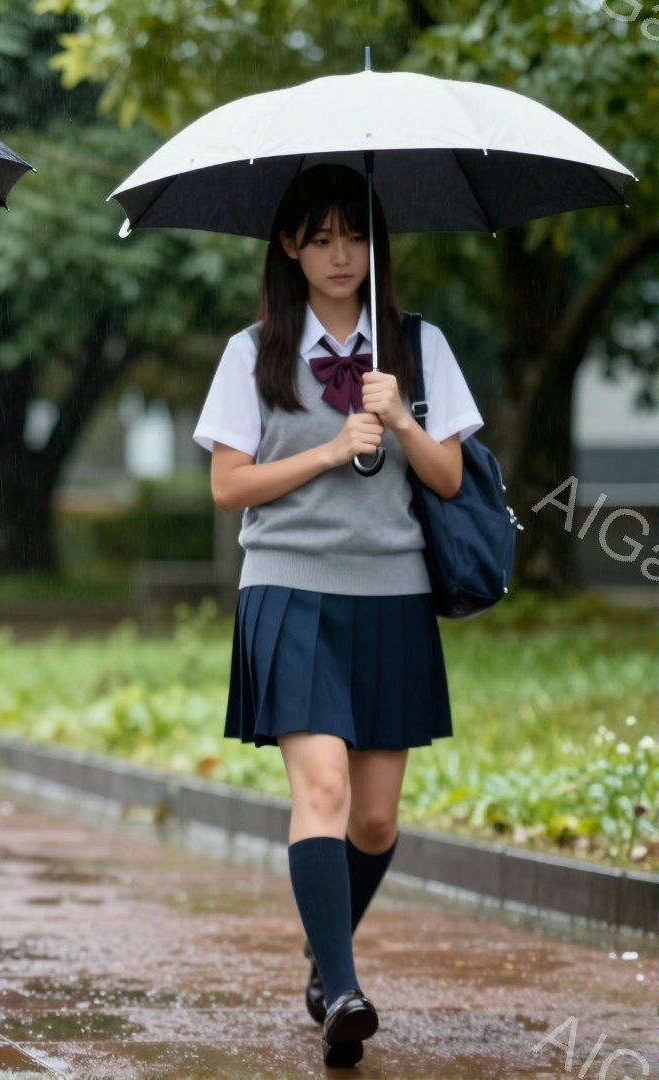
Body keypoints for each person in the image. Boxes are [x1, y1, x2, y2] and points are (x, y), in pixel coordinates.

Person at [193, 164, 482, 1069]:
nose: (340, 254)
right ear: (289, 247)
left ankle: (326, 956)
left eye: (354, 236)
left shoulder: (420, 346)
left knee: (377, 821)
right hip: (290, 590)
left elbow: (451, 479)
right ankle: (346, 996)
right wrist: (326, 450)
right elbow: (227, 485)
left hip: (393, 594)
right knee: (321, 791)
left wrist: (402, 421)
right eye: (319, 238)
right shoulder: (252, 353)